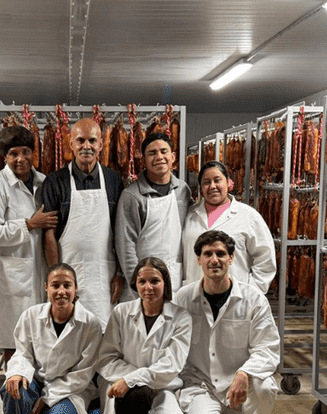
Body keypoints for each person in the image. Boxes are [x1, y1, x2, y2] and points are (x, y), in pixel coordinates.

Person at [175, 229, 280, 414]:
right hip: (200, 384)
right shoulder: (183, 299)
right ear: (199, 260)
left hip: (239, 385)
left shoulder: (253, 300)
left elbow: (268, 348)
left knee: (266, 386)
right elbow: (173, 346)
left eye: (221, 254)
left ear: (231, 258)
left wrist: (244, 374)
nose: (215, 260)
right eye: (208, 254)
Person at [0, 263, 103, 414]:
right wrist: (17, 372)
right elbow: (23, 353)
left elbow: (82, 374)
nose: (61, 291)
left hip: (70, 388)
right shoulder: (31, 316)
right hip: (38, 378)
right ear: (46, 287)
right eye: (55, 285)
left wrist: (46, 399)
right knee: (12, 389)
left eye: (67, 285)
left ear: (76, 288)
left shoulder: (91, 324)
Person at [96, 257, 191, 414]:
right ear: (135, 284)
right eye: (142, 281)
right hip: (121, 381)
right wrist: (131, 380)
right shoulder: (121, 313)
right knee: (136, 395)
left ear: (165, 283)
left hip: (162, 384)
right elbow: (106, 358)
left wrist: (134, 379)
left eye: (155, 281)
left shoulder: (180, 317)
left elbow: (172, 364)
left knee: (151, 410)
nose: (148, 287)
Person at [0, 125, 58, 362]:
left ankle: (36, 382)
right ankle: (12, 381)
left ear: (33, 153)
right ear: (4, 157)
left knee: (43, 340)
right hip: (12, 278)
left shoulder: (44, 182)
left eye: (25, 152)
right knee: (14, 342)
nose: (20, 159)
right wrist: (29, 225)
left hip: (41, 271)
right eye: (13, 154)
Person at [40, 117, 124, 330]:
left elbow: (121, 234)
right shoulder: (54, 181)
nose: (87, 146)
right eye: (80, 140)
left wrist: (119, 274)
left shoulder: (114, 180)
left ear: (100, 145)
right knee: (69, 333)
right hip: (68, 274)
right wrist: (56, 277)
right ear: (71, 144)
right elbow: (49, 234)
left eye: (92, 141)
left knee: (104, 335)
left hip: (105, 277)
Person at [115, 132, 192, 301]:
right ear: (143, 160)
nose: (159, 157)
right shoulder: (132, 196)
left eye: (164, 151)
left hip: (175, 281)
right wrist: (138, 288)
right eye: (152, 153)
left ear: (173, 157)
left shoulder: (183, 190)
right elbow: (126, 247)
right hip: (144, 286)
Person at [181, 160, 275, 292]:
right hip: (194, 294)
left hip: (235, 296)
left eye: (217, 180)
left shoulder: (248, 216)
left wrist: (252, 291)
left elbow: (265, 258)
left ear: (228, 183)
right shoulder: (189, 214)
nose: (212, 186)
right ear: (201, 188)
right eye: (206, 182)